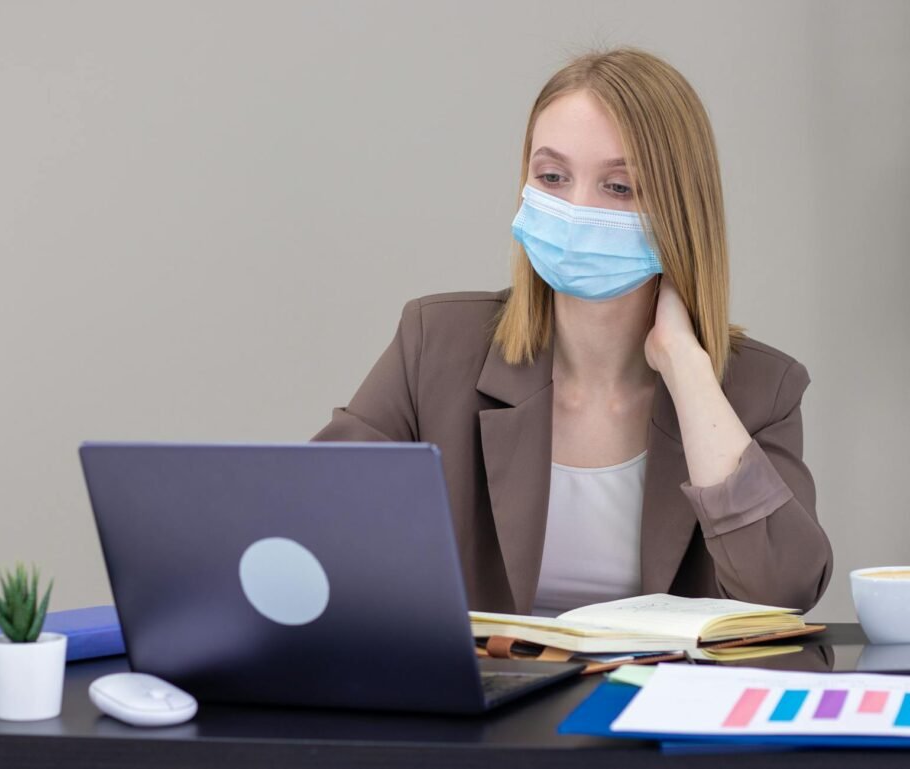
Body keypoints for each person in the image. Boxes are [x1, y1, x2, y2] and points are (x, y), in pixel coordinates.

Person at [312, 46, 832, 617]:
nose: (577, 210)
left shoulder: (762, 388)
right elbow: (309, 525)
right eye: (553, 177)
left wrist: (685, 367)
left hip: (659, 704)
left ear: (681, 212)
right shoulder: (436, 343)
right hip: (493, 702)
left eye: (619, 187)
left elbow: (781, 593)